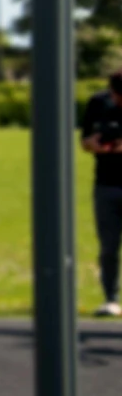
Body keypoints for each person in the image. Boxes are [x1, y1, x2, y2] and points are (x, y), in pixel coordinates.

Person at [79, 65, 122, 318]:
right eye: (117, 97)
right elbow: (84, 141)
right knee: (108, 247)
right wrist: (93, 145)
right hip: (105, 184)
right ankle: (111, 299)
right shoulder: (97, 103)